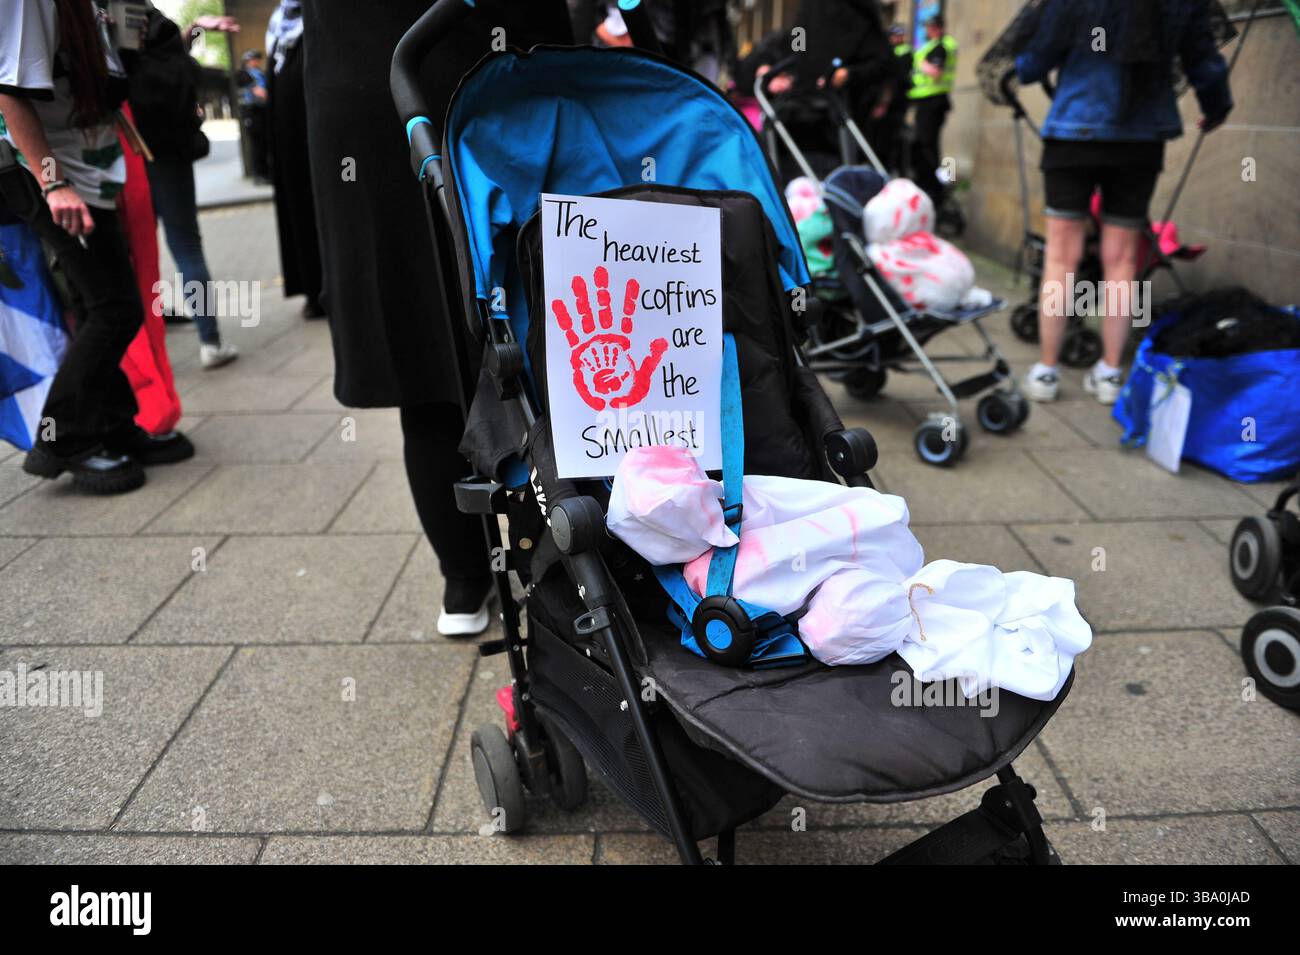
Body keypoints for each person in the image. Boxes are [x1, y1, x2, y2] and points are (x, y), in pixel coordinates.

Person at [302, 0, 572, 636]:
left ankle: (466, 578)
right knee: (545, 329)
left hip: (368, 89)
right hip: (492, 72)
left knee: (420, 352)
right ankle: (560, 561)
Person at [0, 0, 194, 495]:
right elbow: (9, 90)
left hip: (87, 163)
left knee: (98, 305)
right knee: (115, 308)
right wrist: (53, 183)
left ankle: (113, 425)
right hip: (50, 171)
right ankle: (61, 438)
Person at [1016, 0, 1232, 405]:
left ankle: (1046, 371)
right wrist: (1216, 107)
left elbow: (1030, 65)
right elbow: (1204, 61)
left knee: (1061, 258)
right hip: (1140, 140)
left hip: (1073, 133)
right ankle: (1111, 373)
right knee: (1123, 261)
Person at [125, 9, 239, 370]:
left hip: (126, 155)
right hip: (170, 157)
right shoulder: (159, 34)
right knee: (187, 247)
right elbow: (174, 54)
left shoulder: (107, 31)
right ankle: (210, 341)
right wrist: (196, 30)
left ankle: (140, 352)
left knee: (131, 252)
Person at [265, 2, 323, 320]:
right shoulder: (278, 27)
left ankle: (329, 287)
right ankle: (311, 288)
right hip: (290, 149)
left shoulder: (317, 22)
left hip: (319, 147)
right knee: (298, 211)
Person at [907, 14, 957, 207]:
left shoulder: (940, 46)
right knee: (924, 144)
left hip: (933, 101)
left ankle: (933, 188)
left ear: (939, 28)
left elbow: (936, 72)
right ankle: (930, 184)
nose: (928, 31)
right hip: (927, 101)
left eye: (931, 27)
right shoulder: (932, 46)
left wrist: (919, 62)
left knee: (927, 145)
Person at [237, 49, 269, 182]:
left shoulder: (260, 73)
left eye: (257, 59)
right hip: (252, 111)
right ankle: (259, 174)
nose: (256, 62)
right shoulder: (245, 75)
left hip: (262, 111)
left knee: (264, 143)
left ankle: (264, 173)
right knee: (257, 144)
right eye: (253, 60)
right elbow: (259, 92)